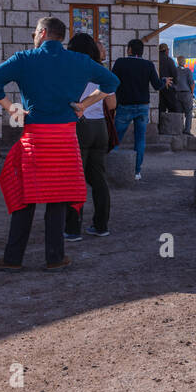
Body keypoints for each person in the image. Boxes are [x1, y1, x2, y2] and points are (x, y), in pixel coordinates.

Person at [0, 17, 119, 270]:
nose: (33, 36)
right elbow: (111, 83)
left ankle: (13, 259)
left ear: (43, 33)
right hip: (66, 138)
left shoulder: (24, 58)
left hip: (35, 137)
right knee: (58, 198)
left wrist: (13, 109)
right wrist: (84, 105)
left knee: (26, 197)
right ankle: (55, 258)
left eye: (34, 32)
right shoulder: (79, 60)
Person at [63, 33, 114, 241]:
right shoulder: (101, 71)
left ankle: (73, 228)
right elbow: (112, 104)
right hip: (100, 127)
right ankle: (101, 225)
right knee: (99, 179)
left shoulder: (70, 70)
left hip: (78, 127)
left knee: (75, 179)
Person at [111, 38, 168, 181]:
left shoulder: (120, 62)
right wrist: (164, 81)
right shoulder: (148, 65)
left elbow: (112, 82)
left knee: (115, 138)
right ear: (141, 51)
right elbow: (156, 85)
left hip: (124, 105)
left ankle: (110, 167)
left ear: (129, 49)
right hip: (143, 106)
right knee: (140, 139)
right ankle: (137, 171)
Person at [174, 56, 195, 135]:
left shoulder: (175, 70)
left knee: (179, 113)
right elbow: (192, 84)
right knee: (188, 113)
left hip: (177, 94)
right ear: (185, 62)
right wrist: (191, 93)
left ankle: (179, 130)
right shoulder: (188, 71)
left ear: (177, 62)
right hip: (186, 93)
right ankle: (187, 130)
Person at [157, 42, 178, 118]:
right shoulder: (169, 60)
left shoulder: (156, 59)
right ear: (166, 51)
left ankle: (159, 128)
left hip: (158, 88)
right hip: (168, 88)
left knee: (160, 110)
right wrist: (175, 84)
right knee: (173, 110)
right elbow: (174, 74)